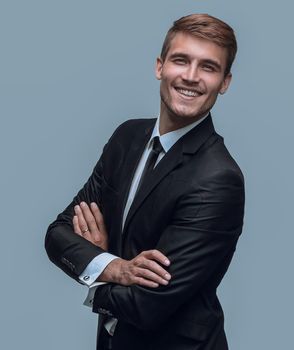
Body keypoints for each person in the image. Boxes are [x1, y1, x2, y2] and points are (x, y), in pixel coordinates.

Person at [45, 13, 245, 350]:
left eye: (208, 67)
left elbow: (146, 305)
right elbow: (57, 234)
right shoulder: (127, 137)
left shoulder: (218, 178)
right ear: (160, 66)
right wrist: (117, 268)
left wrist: (97, 263)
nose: (191, 77)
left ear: (224, 82)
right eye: (181, 60)